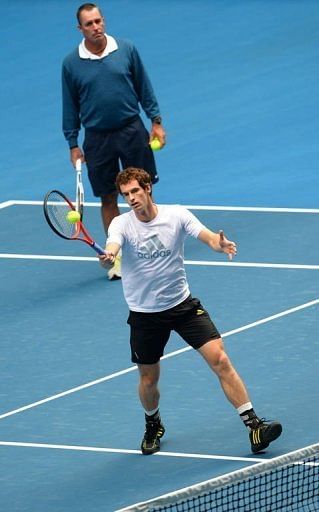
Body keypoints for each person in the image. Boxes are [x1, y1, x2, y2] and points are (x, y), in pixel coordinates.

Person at [99, 167, 283, 455]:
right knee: (149, 379)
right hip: (145, 315)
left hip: (183, 306)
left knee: (220, 359)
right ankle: (153, 423)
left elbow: (207, 236)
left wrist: (218, 244)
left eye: (135, 191)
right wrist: (109, 256)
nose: (131, 198)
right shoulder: (121, 225)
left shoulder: (176, 215)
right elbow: (113, 245)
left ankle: (254, 427)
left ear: (148, 188)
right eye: (125, 195)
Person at [62, 3, 166, 280]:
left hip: (132, 130)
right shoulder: (71, 64)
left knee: (143, 190)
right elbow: (70, 106)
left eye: (98, 21)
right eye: (89, 24)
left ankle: (153, 246)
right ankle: (116, 257)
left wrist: (155, 121)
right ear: (80, 28)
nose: (95, 27)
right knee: (108, 197)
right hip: (97, 139)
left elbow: (144, 86)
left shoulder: (126, 49)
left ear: (103, 21)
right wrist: (73, 143)